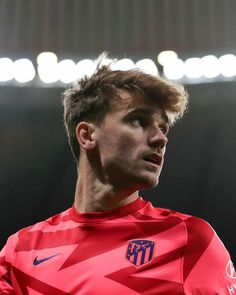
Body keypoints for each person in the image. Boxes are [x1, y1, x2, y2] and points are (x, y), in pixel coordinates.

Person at [0, 54, 235, 295]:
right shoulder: (21, 251)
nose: (160, 138)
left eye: (163, 128)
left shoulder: (190, 240)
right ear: (87, 135)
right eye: (139, 121)